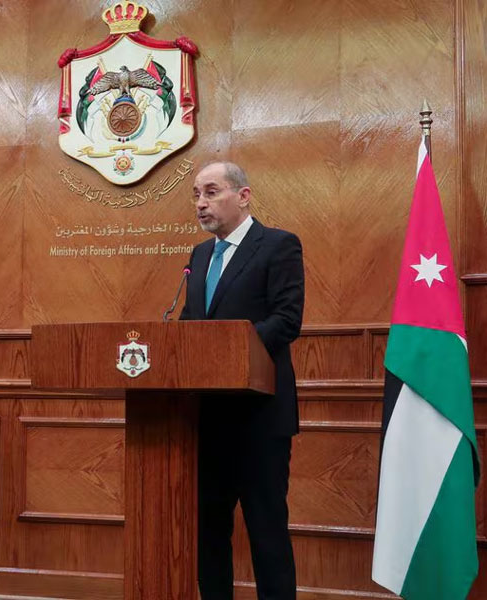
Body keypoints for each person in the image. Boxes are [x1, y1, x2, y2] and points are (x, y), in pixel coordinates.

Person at [179, 162, 304, 600]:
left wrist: (228, 351)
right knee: (208, 532)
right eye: (196, 194)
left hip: (259, 418)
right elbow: (191, 323)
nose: (201, 203)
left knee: (266, 531)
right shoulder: (199, 256)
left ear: (244, 196)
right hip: (207, 420)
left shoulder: (278, 245)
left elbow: (287, 320)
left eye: (211, 192)